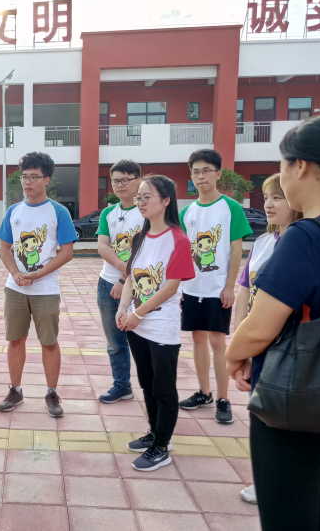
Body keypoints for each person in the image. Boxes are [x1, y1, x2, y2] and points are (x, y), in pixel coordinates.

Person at [226, 116, 320, 530]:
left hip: (298, 404)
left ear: (301, 166)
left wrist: (233, 356)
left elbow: (259, 327)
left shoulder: (304, 237)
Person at [116, 175, 195, 471]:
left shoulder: (178, 240)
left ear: (166, 200)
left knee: (163, 387)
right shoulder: (140, 237)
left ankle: (162, 446)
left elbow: (170, 287)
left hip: (160, 325)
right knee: (147, 383)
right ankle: (155, 432)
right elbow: (131, 278)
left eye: (146, 196)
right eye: (139, 197)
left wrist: (137, 314)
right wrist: (123, 308)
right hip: (137, 324)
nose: (140, 201)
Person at [232, 173, 302, 504]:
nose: (269, 204)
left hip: (289, 346)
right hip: (258, 344)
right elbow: (244, 291)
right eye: (267, 197)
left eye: (278, 197)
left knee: (288, 416)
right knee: (260, 413)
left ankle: (284, 481)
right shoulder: (263, 243)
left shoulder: (303, 244)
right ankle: (266, 480)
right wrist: (239, 341)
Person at [0, 152, 77, 417]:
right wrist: (15, 273)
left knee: (49, 342)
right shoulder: (13, 211)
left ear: (46, 179)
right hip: (15, 287)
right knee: (15, 340)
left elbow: (67, 252)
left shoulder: (58, 212)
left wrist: (37, 275)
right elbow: (4, 248)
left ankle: (51, 392)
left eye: (34, 177)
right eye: (24, 177)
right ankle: (15, 389)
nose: (28, 182)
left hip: (46, 289)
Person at [178, 149, 252, 424]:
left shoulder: (230, 208)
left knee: (217, 341)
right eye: (196, 172)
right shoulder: (187, 212)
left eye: (206, 171)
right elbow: (182, 252)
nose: (201, 176)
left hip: (218, 288)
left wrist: (229, 286)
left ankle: (223, 398)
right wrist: (180, 287)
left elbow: (236, 250)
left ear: (218, 173)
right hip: (191, 288)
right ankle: (204, 392)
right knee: (197, 338)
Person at [95, 160, 144, 403]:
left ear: (138, 180)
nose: (120, 185)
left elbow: (146, 249)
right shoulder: (108, 213)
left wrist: (125, 279)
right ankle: (122, 385)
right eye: (116, 181)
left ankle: (151, 387)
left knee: (142, 339)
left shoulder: (146, 211)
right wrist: (121, 270)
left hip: (140, 287)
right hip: (107, 283)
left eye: (126, 180)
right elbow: (103, 246)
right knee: (115, 341)